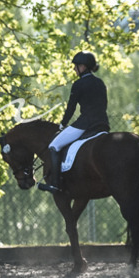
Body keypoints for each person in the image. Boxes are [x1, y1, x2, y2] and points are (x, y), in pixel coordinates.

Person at [38, 51, 110, 193]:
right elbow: (104, 105)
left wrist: (62, 124)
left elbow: (71, 108)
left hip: (86, 124)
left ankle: (56, 184)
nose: (74, 69)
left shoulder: (78, 84)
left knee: (54, 145)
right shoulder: (100, 83)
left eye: (76, 66)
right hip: (103, 124)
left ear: (83, 67)